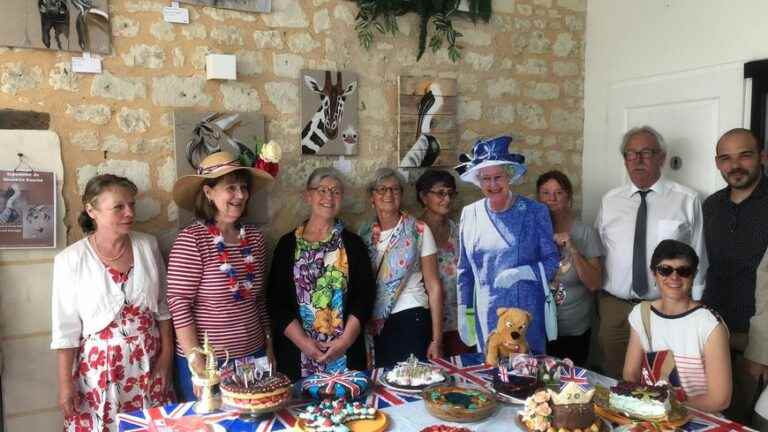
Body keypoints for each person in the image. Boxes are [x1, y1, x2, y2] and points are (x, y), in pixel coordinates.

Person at [51, 174, 174, 432]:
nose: (129, 212)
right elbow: (65, 331)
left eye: (132, 205)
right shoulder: (70, 260)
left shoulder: (147, 246)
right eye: (119, 207)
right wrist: (65, 385)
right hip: (99, 371)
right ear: (91, 210)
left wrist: (165, 359)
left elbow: (164, 309)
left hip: (149, 361)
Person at [595, 125, 707, 378]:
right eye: (630, 154)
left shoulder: (686, 200)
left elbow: (699, 255)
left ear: (662, 157)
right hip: (616, 308)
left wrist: (694, 307)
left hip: (665, 306)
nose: (637, 160)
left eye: (646, 153)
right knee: (615, 377)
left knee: (662, 380)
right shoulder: (610, 200)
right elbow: (600, 252)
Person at [167, 151, 274, 401]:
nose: (240, 195)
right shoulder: (192, 240)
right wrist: (197, 362)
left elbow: (259, 300)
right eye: (231, 188)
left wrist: (269, 345)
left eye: (244, 188)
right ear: (208, 192)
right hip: (211, 363)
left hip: (254, 357)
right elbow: (179, 303)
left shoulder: (255, 239)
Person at [267, 168, 375, 379]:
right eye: (322, 190)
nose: (329, 197)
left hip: (346, 354)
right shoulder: (287, 245)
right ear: (308, 196)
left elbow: (365, 297)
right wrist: (305, 344)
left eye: (336, 192)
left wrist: (344, 343)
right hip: (297, 354)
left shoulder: (353, 244)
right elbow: (276, 302)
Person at [456, 136, 559, 355]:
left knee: (527, 380)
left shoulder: (534, 212)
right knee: (490, 376)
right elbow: (464, 271)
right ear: (478, 180)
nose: (492, 185)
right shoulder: (470, 214)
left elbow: (552, 261)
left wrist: (524, 272)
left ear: (509, 176)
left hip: (525, 317)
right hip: (488, 316)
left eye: (498, 177)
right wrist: (464, 311)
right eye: (485, 179)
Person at [702, 128, 768, 424]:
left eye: (745, 155)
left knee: (745, 418)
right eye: (726, 158)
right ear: (718, 163)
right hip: (713, 329)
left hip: (756, 337)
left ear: (762, 157)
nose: (735, 165)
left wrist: (762, 349)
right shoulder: (711, 206)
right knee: (712, 414)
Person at [623, 240, 731, 413]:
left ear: (694, 275)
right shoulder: (641, 314)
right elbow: (630, 374)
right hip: (649, 414)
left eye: (683, 271)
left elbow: (720, 400)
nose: (674, 277)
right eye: (665, 270)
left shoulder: (709, 325)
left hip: (696, 417)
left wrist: (667, 409)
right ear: (654, 274)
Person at [359, 168, 444, 368]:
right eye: (381, 189)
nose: (388, 194)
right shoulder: (364, 235)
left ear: (401, 195)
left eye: (395, 189)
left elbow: (434, 286)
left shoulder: (418, 230)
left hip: (411, 317)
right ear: (372, 197)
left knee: (412, 382)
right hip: (376, 324)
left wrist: (437, 339)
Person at [536, 170, 603, 366]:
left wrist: (573, 249)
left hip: (574, 329)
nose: (552, 198)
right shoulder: (532, 233)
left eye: (559, 192)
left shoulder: (586, 233)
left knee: (571, 388)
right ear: (538, 197)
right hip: (538, 327)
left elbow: (594, 284)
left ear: (569, 196)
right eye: (545, 193)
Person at [415, 169, 474, 357]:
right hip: (427, 324)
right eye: (440, 193)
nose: (447, 199)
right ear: (424, 197)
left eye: (450, 193)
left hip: (460, 323)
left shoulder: (458, 232)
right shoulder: (414, 233)